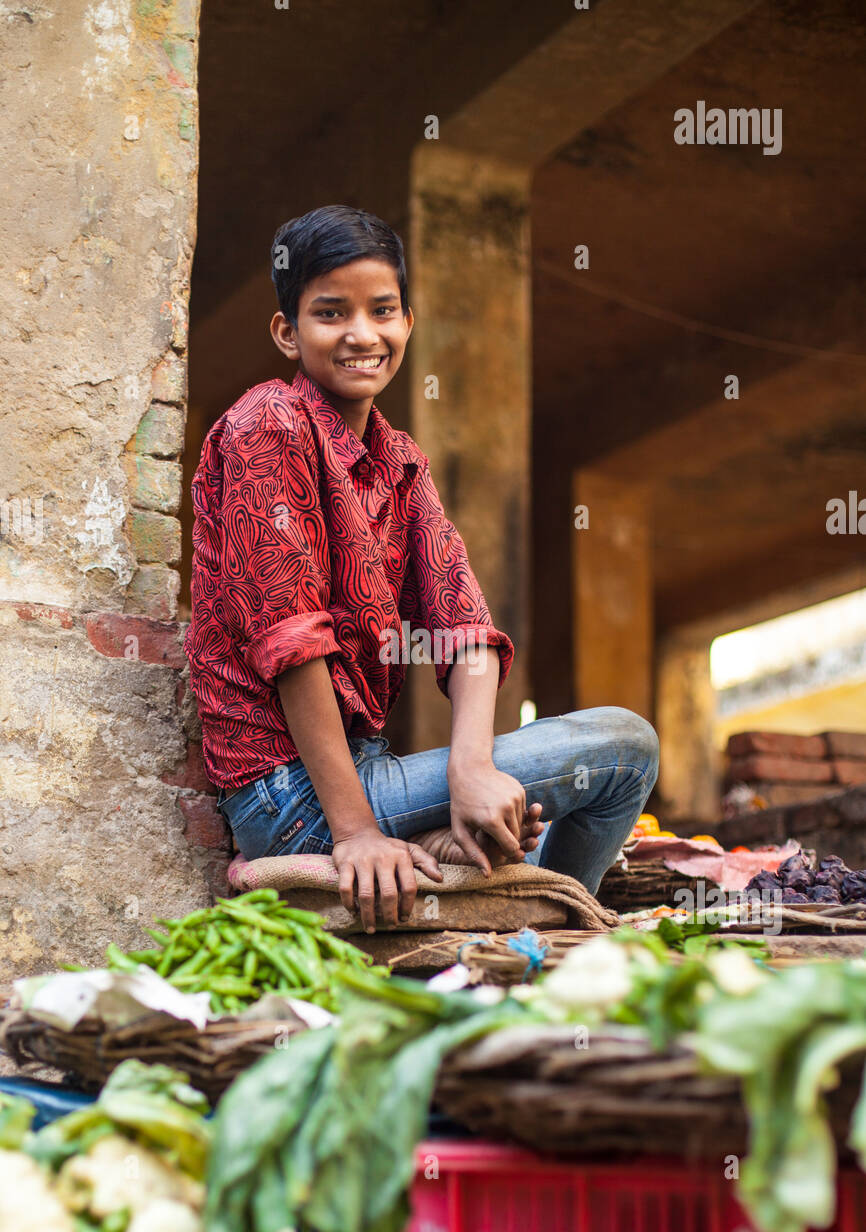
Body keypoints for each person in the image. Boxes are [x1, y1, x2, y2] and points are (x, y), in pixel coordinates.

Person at [184, 205, 659, 932]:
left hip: (371, 775)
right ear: (288, 332)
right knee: (625, 750)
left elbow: (465, 628)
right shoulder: (267, 424)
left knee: (538, 780)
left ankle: (494, 884)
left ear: (408, 321)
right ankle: (545, 928)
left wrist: (472, 770)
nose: (361, 335)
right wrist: (356, 834)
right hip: (292, 797)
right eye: (330, 313)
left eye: (382, 311)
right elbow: (292, 645)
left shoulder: (401, 463)